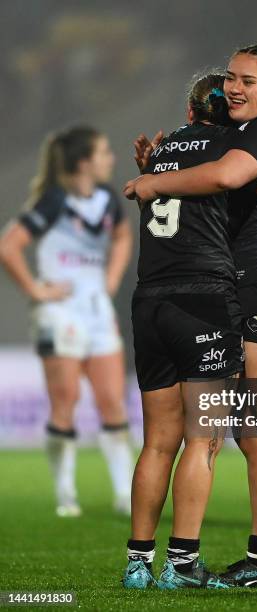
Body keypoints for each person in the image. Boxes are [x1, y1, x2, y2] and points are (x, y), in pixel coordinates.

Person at [128, 43, 257, 589]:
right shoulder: (240, 138)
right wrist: (169, 165)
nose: (234, 89)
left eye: (246, 80)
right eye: (229, 81)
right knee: (252, 434)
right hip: (245, 296)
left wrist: (155, 180)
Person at [0, 126, 134, 517]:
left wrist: (110, 279)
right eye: (104, 151)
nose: (111, 158)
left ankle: (125, 493)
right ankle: (65, 493)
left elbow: (123, 237)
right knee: (66, 402)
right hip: (59, 312)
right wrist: (35, 290)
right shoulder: (54, 200)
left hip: (96, 310)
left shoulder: (108, 199)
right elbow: (9, 246)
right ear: (83, 162)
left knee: (112, 402)